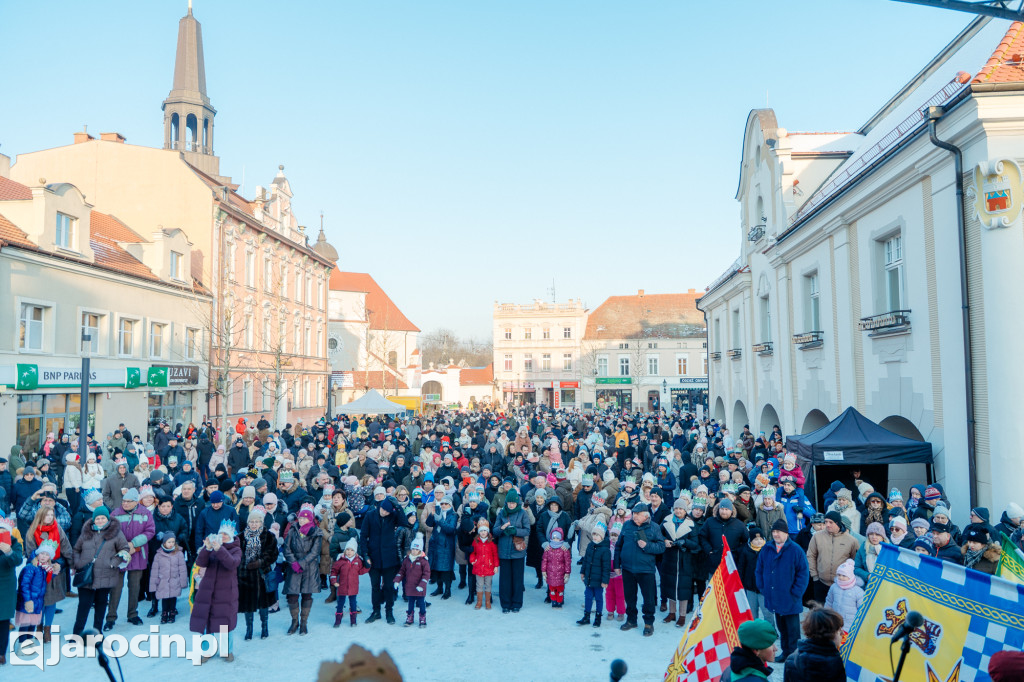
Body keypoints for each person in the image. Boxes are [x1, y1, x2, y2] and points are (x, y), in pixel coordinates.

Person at [756, 519, 809, 663]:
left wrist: (795, 593)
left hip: (790, 598)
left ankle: (794, 656)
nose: (775, 534)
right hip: (774, 597)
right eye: (773, 531)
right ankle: (786, 653)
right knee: (782, 629)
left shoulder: (796, 550)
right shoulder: (767, 549)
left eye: (778, 531)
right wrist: (763, 588)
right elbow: (759, 570)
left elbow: (803, 574)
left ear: (786, 533)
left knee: (793, 631)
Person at [71, 506, 130, 636]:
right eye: (97, 518)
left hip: (106, 574)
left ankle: (97, 633)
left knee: (101, 604)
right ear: (93, 519)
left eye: (103, 518)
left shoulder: (116, 533)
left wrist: (113, 563)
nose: (100, 520)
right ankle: (77, 634)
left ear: (108, 518)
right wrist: (78, 563)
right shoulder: (86, 532)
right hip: (87, 575)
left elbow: (124, 549)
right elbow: (76, 549)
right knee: (83, 606)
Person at [190, 520, 242, 663]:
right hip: (208, 590)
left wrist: (219, 549)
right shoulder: (213, 547)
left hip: (226, 592)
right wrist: (206, 549)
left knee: (225, 622)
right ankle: (207, 651)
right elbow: (200, 562)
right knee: (207, 621)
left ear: (231, 535)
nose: (223, 536)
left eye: (226, 534)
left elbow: (231, 563)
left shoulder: (236, 549)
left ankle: (227, 651)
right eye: (221, 533)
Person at [105, 488, 155, 630]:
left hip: (138, 554)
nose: (125, 504)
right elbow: (110, 531)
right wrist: (123, 545)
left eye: (128, 501)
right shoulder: (115, 513)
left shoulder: (145, 513)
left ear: (135, 502)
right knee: (116, 587)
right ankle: (111, 617)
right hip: (119, 554)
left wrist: (134, 544)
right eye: (124, 501)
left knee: (134, 586)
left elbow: (150, 531)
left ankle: (132, 614)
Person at [613, 502, 666, 637]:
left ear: (646, 516)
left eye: (638, 514)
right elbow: (618, 546)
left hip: (646, 570)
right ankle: (631, 620)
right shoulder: (627, 525)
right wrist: (617, 565)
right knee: (630, 597)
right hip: (628, 569)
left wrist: (647, 546)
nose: (635, 516)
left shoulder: (654, 527)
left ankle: (648, 623)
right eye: (634, 514)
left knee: (648, 599)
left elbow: (661, 547)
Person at [359, 496, 408, 624]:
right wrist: (365, 555)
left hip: (389, 558)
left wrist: (398, 507)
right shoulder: (370, 515)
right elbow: (363, 536)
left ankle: (389, 612)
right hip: (373, 557)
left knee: (389, 586)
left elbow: (404, 523)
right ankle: (376, 611)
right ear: (380, 506)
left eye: (388, 511)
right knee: (375, 586)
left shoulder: (393, 515)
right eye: (384, 510)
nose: (385, 513)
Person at [237, 505, 278, 639]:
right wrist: (243, 564)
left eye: (257, 521)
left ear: (261, 522)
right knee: (248, 604)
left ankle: (264, 627)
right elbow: (236, 555)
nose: (254, 524)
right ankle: (249, 629)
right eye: (251, 522)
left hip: (262, 574)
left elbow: (272, 554)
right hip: (245, 575)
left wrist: (259, 562)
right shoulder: (240, 537)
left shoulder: (269, 536)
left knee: (263, 603)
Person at [282, 503, 323, 635]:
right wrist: (293, 562)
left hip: (309, 567)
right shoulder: (293, 530)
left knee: (306, 595)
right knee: (292, 595)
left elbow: (315, 552)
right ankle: (294, 621)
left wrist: (301, 563)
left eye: (305, 518)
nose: (302, 520)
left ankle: (304, 622)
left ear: (310, 519)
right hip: (293, 567)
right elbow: (287, 548)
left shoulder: (316, 532)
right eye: (300, 518)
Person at [660, 497, 698, 627]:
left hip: (684, 560)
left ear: (685, 510)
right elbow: (658, 535)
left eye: (681, 508)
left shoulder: (691, 524)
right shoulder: (666, 521)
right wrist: (665, 541)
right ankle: (672, 613)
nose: (678, 511)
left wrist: (685, 542)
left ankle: (682, 615)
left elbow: (695, 544)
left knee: (683, 588)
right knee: (670, 586)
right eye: (676, 508)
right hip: (669, 558)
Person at [806, 511, 859, 604]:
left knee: (837, 611)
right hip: (820, 582)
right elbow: (811, 555)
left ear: (838, 523)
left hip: (841, 584)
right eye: (826, 522)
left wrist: (848, 579)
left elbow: (855, 561)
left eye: (831, 522)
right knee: (820, 610)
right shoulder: (817, 537)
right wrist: (814, 576)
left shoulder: (851, 540)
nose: (827, 525)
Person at [783, 606, 847, 682]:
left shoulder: (792, 659)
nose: (842, 633)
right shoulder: (836, 663)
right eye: (839, 630)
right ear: (830, 633)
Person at [494, 487, 530, 613]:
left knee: (517, 579)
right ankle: (505, 604)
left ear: (517, 503)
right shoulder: (501, 513)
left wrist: (516, 531)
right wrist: (502, 529)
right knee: (505, 580)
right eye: (509, 502)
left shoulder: (522, 513)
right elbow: (495, 530)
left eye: (513, 503)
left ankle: (516, 603)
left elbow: (527, 530)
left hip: (518, 551)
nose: (511, 505)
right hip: (504, 550)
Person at [148, 531, 187, 624]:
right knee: (164, 598)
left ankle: (172, 612)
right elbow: (154, 571)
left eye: (173, 542)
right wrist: (153, 584)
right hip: (163, 581)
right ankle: (164, 613)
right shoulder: (158, 555)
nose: (171, 544)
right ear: (164, 543)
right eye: (169, 542)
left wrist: (183, 582)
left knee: (173, 597)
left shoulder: (179, 554)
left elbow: (182, 569)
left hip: (175, 580)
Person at [577, 521, 610, 627]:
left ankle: (598, 617)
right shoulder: (590, 546)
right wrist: (582, 572)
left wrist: (605, 580)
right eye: (594, 534)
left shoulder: (605, 550)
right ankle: (586, 616)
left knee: (599, 598)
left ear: (602, 536)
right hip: (589, 578)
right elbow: (586, 560)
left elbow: (606, 567)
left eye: (597, 535)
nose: (595, 537)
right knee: (588, 596)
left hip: (599, 580)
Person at [394, 532, 430, 627]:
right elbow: (402, 571)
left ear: (420, 550)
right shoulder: (407, 559)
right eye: (413, 548)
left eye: (416, 549)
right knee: (410, 603)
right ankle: (410, 617)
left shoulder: (423, 561)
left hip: (420, 588)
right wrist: (397, 580)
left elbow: (426, 574)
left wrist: (422, 585)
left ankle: (422, 617)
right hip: (410, 587)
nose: (414, 551)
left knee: (421, 603)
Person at [330, 537, 368, 627]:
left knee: (353, 603)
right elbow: (334, 571)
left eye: (352, 550)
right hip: (342, 586)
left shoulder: (358, 561)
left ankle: (353, 621)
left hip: (353, 586)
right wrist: (334, 581)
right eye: (347, 549)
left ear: (355, 551)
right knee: (340, 603)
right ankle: (338, 620)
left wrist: (368, 567)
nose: (349, 552)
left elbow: (360, 571)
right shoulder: (340, 560)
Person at [737, 524, 772, 624]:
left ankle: (771, 629)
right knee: (752, 613)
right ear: (751, 540)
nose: (759, 541)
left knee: (767, 612)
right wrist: (741, 584)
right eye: (756, 539)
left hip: (764, 588)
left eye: (761, 539)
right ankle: (754, 629)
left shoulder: (768, 550)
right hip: (750, 588)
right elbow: (741, 568)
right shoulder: (745, 551)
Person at [824, 559, 863, 633]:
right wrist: (826, 615)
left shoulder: (858, 591)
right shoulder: (834, 587)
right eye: (839, 575)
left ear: (850, 576)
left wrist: (858, 625)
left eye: (844, 575)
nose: (841, 577)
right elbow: (829, 601)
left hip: (850, 625)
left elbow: (861, 609)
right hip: (835, 622)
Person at [469, 518, 498, 610]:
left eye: (485, 530)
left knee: (488, 584)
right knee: (479, 584)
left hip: (489, 567)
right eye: (481, 531)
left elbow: (495, 555)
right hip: (478, 566)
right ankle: (479, 601)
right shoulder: (476, 541)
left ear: (488, 531)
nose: (483, 532)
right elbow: (473, 552)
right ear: (479, 532)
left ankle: (488, 602)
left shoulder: (491, 542)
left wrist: (496, 566)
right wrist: (472, 560)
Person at [541, 527, 572, 608]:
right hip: (550, 573)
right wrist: (543, 571)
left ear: (561, 538)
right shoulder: (548, 548)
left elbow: (567, 561)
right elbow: (544, 560)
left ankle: (559, 601)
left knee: (560, 588)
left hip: (561, 574)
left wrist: (567, 573)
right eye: (554, 538)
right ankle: (553, 601)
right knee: (552, 588)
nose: (555, 540)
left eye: (557, 538)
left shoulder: (564, 549)